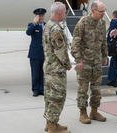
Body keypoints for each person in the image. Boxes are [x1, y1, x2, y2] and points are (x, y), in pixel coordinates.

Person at [71, 1, 108, 124]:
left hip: (96, 62)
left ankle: (94, 111)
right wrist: (78, 60)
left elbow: (103, 41)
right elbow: (75, 43)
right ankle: (83, 113)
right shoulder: (83, 22)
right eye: (101, 11)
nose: (103, 14)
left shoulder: (102, 23)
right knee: (83, 89)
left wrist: (104, 55)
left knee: (96, 89)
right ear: (93, 11)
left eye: (104, 11)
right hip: (84, 62)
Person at [43, 2, 71, 133]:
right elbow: (60, 51)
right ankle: (53, 128)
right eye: (65, 12)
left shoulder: (48, 25)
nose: (65, 14)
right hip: (56, 69)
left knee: (50, 97)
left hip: (49, 67)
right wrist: (68, 65)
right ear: (60, 12)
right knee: (57, 98)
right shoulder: (55, 29)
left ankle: (50, 124)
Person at [26, 8, 46, 97]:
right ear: (36, 16)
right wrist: (34, 23)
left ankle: (41, 89)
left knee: (42, 72)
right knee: (35, 73)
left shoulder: (46, 25)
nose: (41, 17)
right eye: (39, 16)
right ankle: (35, 90)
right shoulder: (32, 25)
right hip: (35, 53)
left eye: (42, 15)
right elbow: (28, 32)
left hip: (44, 54)